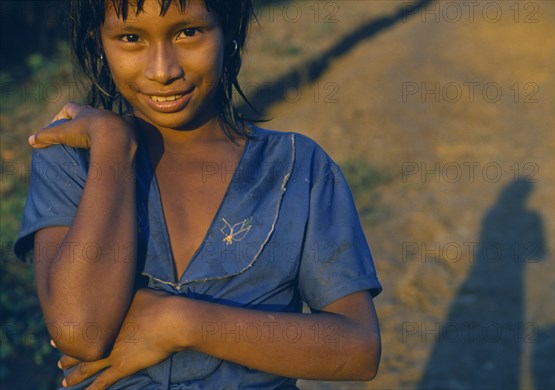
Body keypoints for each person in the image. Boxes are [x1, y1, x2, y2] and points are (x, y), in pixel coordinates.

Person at [13, 0, 382, 388]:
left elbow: (358, 350)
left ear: (230, 32)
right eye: (131, 37)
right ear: (99, 44)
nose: (163, 70)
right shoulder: (73, 162)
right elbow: (78, 330)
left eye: (188, 32)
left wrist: (182, 322)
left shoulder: (295, 167)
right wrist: (113, 145)